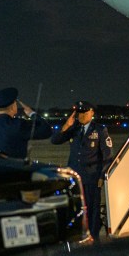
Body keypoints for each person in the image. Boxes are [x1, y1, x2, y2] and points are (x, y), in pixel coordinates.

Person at [51, 100, 113, 240]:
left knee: (92, 209)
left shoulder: (100, 130)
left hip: (92, 177)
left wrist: (102, 176)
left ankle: (93, 237)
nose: (82, 115)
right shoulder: (74, 129)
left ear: (92, 113)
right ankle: (79, 236)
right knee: (76, 209)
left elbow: (107, 155)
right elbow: (55, 140)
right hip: (75, 178)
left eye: (85, 112)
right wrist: (66, 125)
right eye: (79, 113)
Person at [0, 87, 53, 161]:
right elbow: (46, 131)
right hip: (14, 167)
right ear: (13, 106)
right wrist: (32, 114)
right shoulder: (18, 125)